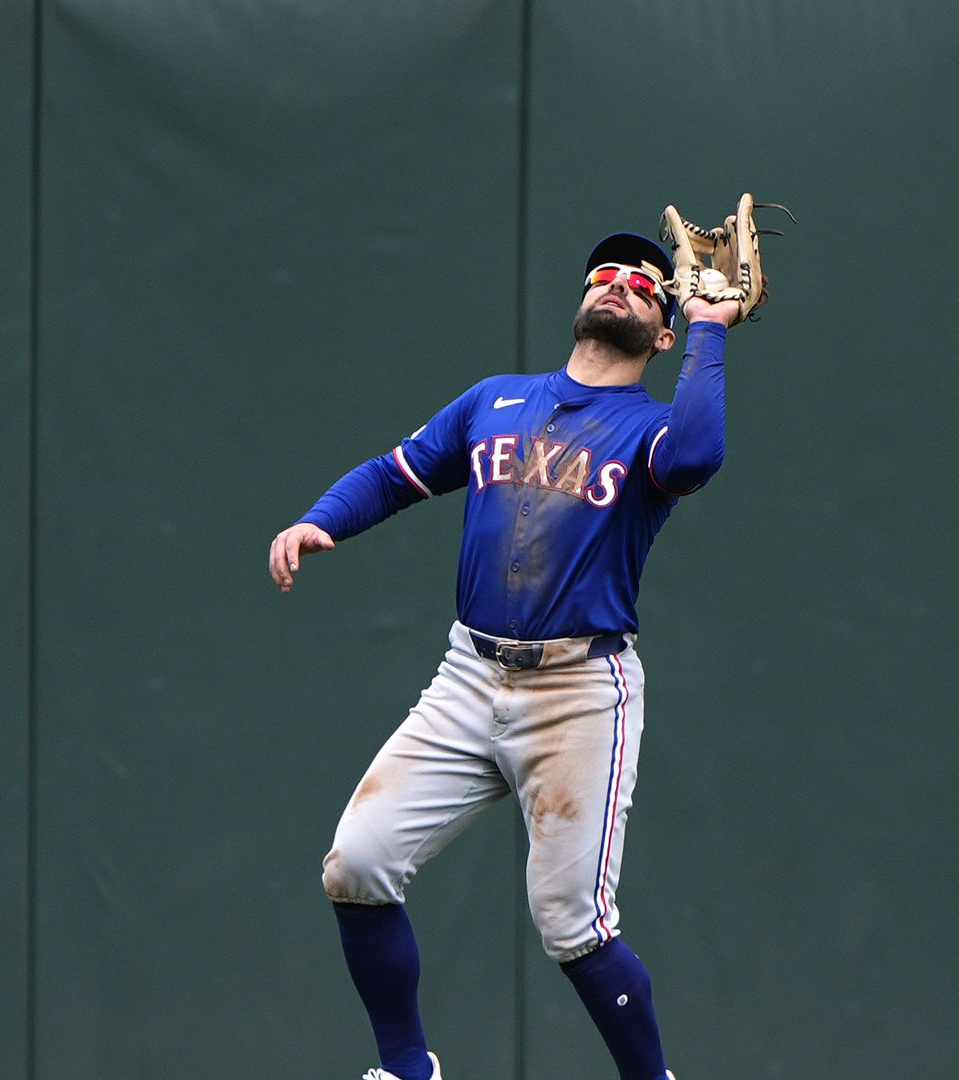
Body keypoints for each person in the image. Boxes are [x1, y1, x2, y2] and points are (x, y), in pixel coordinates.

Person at [268, 230, 740, 1080]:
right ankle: (406, 1069)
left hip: (578, 689)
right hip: (469, 674)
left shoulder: (652, 429)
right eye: (605, 274)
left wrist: (710, 324)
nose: (620, 284)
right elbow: (395, 473)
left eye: (645, 285)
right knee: (358, 863)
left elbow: (700, 453)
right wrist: (320, 519)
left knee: (571, 923)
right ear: (580, 299)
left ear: (663, 334)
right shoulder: (496, 400)